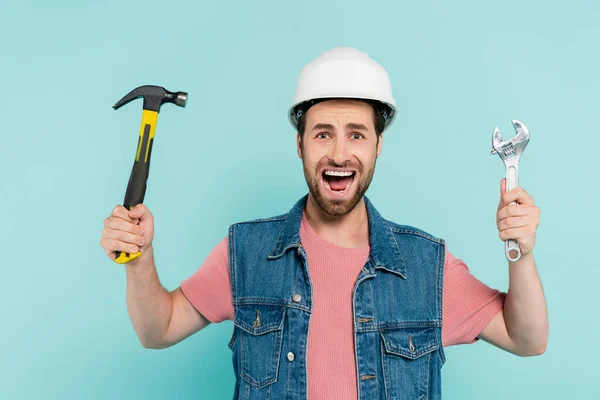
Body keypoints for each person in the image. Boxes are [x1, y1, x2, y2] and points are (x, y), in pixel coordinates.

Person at [100, 47, 548, 400]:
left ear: (377, 147)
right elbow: (156, 331)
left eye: (356, 133)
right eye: (322, 133)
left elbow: (526, 339)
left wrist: (522, 255)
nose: (338, 154)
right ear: (300, 145)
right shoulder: (248, 254)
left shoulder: (425, 267)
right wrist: (138, 258)